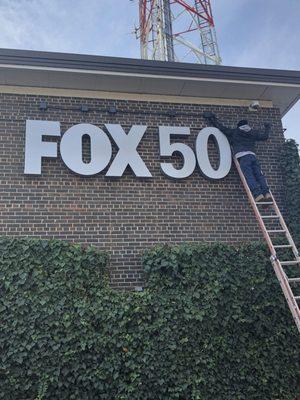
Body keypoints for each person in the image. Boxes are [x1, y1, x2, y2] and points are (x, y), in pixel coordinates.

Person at [203, 112, 272, 202]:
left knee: (249, 175)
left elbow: (222, 128)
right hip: (252, 156)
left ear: (238, 126)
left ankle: (257, 194)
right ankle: (266, 193)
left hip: (243, 156)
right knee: (259, 175)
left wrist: (213, 119)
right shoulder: (253, 133)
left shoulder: (235, 132)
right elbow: (265, 137)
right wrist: (267, 127)